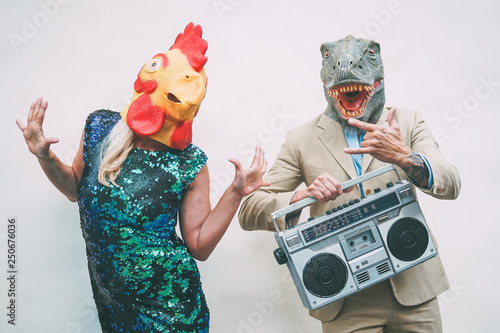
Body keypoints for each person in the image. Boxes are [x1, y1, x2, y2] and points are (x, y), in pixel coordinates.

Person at [16, 23, 269, 333]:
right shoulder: (100, 129)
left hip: (173, 311)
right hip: (117, 310)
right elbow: (75, 189)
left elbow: (199, 245)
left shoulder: (188, 162)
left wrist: (236, 191)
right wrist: (45, 155)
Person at [238, 35, 461, 332]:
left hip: (414, 289)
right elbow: (249, 210)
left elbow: (451, 183)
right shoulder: (300, 139)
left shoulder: (407, 122)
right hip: (343, 296)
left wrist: (406, 157)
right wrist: (302, 196)